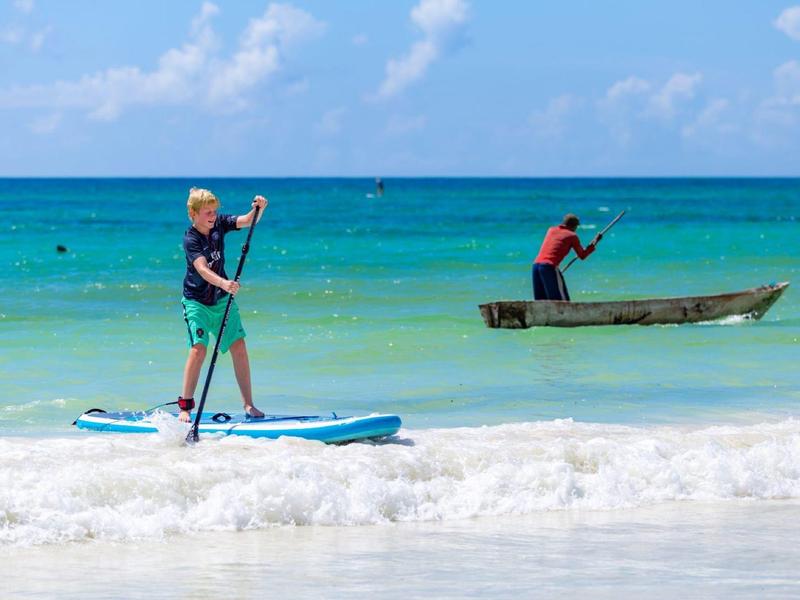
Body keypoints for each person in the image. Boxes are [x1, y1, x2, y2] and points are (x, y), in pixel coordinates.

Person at [177, 187, 267, 422]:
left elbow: (249, 221)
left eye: (214, 211)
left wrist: (259, 208)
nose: (212, 216)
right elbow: (202, 269)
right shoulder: (191, 239)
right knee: (199, 349)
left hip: (221, 300)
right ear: (193, 213)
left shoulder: (219, 225)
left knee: (239, 346)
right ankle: (185, 408)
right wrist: (224, 283)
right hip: (196, 302)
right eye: (207, 212)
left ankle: (248, 405)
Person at [532, 213, 601, 301]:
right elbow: (582, 255)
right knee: (562, 302)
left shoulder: (551, 230)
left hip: (536, 266)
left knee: (541, 302)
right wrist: (595, 241)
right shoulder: (572, 236)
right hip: (549, 266)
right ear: (574, 226)